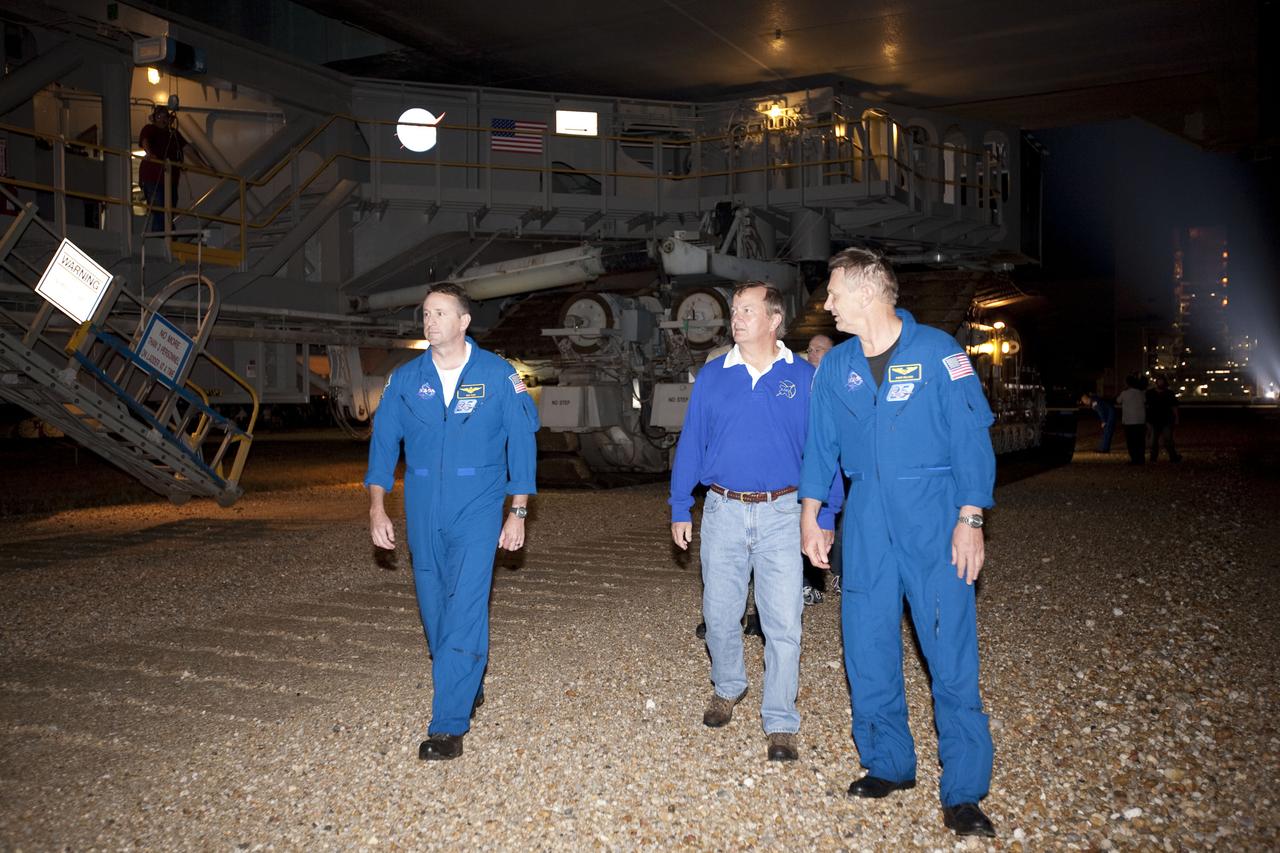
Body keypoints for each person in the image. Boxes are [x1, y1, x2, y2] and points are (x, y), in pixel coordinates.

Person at [799, 247, 998, 838]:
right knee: (867, 641)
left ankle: (963, 790)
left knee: (949, 649)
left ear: (866, 292)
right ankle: (888, 763)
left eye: (833, 293)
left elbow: (971, 438)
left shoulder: (940, 352)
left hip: (934, 512)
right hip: (866, 518)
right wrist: (813, 515)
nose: (826, 304)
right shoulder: (835, 366)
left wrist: (972, 517)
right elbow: (820, 448)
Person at [365, 283, 539, 761]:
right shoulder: (405, 380)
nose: (430, 321)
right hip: (422, 505)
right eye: (425, 313)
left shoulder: (499, 376)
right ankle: (465, 678)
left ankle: (448, 724)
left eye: (441, 313)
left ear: (464, 321)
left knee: (464, 604)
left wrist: (518, 511)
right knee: (433, 605)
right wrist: (378, 507)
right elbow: (383, 448)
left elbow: (522, 446)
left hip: (479, 503)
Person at [670, 283, 840, 762]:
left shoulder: (805, 378)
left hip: (785, 514)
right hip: (722, 510)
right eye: (734, 310)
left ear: (773, 320)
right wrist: (680, 505)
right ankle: (728, 686)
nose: (736, 318)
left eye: (747, 310)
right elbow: (692, 443)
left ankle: (781, 720)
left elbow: (824, 451)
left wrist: (825, 512)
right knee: (720, 615)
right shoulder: (713, 377)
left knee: (783, 621)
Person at [802, 333, 839, 604]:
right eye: (809, 349)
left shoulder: (837, 385)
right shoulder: (800, 383)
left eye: (819, 350)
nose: (812, 354)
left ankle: (834, 573)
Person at [138, 105, 204, 234]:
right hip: (153, 176)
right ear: (154, 119)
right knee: (160, 210)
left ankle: (166, 237)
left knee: (169, 210)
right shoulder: (150, 129)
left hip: (170, 179)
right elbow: (145, 140)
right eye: (159, 116)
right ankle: (165, 238)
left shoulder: (173, 134)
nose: (162, 119)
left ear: (169, 119)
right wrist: (150, 153)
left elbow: (187, 149)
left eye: (165, 117)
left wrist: (202, 165)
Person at [1146, 376, 1181, 462]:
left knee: (1168, 439)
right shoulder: (1150, 393)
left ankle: (1173, 457)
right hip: (1154, 419)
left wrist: (1176, 418)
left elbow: (1174, 406)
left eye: (1162, 381)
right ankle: (1153, 458)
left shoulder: (1169, 393)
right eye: (1159, 381)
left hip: (1166, 419)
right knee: (1154, 441)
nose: (1160, 383)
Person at [1115, 374, 1147, 465]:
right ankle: (1141, 458)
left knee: (1131, 441)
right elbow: (1144, 401)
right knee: (1140, 441)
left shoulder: (1125, 393)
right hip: (1140, 420)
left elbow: (1118, 400)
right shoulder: (1140, 393)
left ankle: (1134, 459)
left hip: (1129, 420)